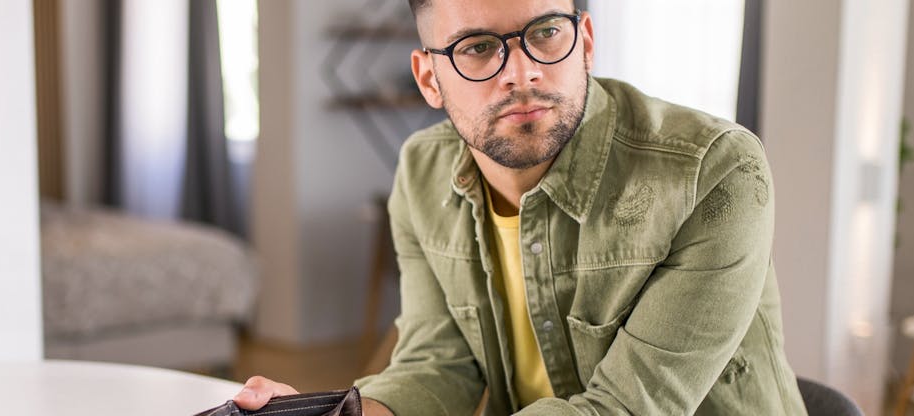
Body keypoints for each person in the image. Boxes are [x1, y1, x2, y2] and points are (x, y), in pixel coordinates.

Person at [235, 0, 807, 414]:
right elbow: (436, 364)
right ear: (429, 79)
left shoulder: (713, 171)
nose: (522, 71)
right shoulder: (420, 172)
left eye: (546, 33)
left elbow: (627, 410)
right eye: (478, 48)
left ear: (584, 42)